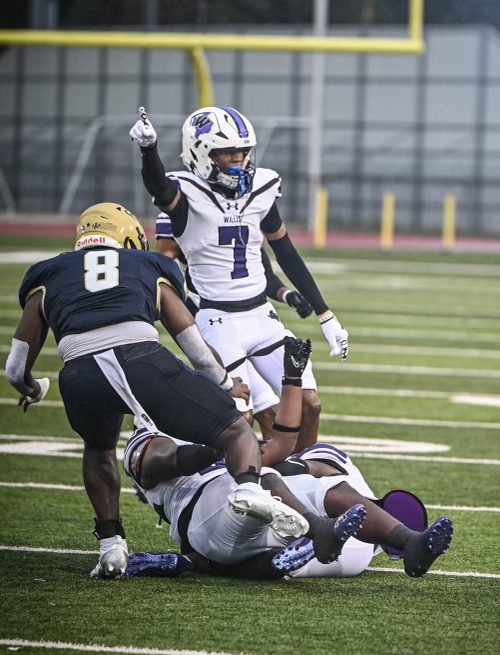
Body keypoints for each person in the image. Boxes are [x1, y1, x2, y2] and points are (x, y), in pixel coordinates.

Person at [4, 202, 327, 580]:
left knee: (99, 448)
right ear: (126, 237)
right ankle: (249, 491)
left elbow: (15, 367)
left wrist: (36, 388)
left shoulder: (47, 274)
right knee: (235, 428)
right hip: (141, 357)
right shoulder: (147, 265)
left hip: (79, 373)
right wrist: (227, 383)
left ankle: (110, 544)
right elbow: (191, 340)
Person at [123, 338, 453, 580]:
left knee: (324, 489)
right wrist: (224, 444)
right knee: (261, 478)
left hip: (244, 518)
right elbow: (162, 462)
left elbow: (283, 443)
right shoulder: (150, 432)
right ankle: (318, 531)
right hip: (204, 519)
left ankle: (410, 543)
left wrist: (291, 378)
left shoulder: (224, 435)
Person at [129, 105, 349, 460]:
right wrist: (148, 150)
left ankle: (304, 479)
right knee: (239, 418)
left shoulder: (262, 187)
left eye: (243, 152)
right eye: (227, 153)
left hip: (262, 316)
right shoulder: (185, 196)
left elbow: (285, 252)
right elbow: (159, 186)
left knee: (310, 403)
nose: (239, 160)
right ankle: (223, 486)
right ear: (201, 155)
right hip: (218, 320)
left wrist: (326, 315)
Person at [155, 209, 312, 441]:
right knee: (239, 416)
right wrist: (180, 307)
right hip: (213, 324)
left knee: (269, 413)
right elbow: (164, 262)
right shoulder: (186, 206)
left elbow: (263, 272)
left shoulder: (243, 209)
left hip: (250, 322)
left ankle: (274, 472)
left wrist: (288, 295)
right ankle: (228, 472)